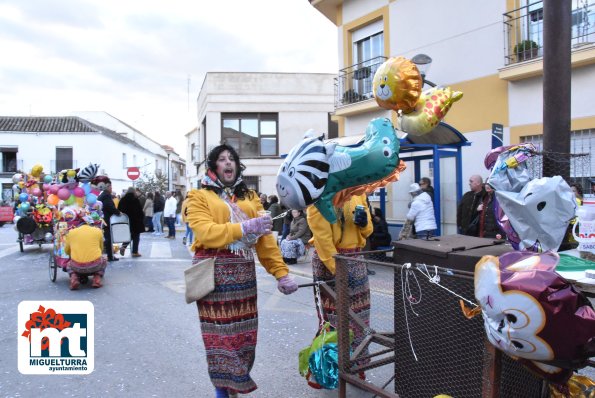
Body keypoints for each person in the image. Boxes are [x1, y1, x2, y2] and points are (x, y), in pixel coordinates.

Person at [185, 144, 298, 398]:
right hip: (212, 277)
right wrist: (245, 228)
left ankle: (232, 383)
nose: (228, 163)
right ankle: (222, 390)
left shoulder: (250, 198)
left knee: (244, 340)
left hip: (244, 280)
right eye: (222, 159)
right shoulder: (198, 197)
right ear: (213, 166)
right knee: (219, 339)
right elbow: (206, 232)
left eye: (232, 159)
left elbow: (265, 242)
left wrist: (281, 273)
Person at [307, 194, 373, 381]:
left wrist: (364, 223)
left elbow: (368, 231)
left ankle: (358, 367)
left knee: (361, 319)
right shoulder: (321, 196)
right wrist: (339, 271)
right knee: (335, 319)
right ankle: (331, 369)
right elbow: (323, 241)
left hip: (356, 260)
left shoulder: (359, 194)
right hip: (331, 262)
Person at [64, 216, 107, 289]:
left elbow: (67, 251)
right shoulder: (98, 231)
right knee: (104, 259)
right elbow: (101, 248)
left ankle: (74, 278)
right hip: (95, 265)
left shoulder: (71, 232)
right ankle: (97, 279)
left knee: (68, 264)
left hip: (76, 266)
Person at [95, 176, 121, 262]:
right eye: (111, 187)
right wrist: (118, 212)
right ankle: (110, 256)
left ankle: (108, 255)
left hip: (103, 218)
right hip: (106, 219)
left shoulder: (102, 194)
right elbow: (109, 206)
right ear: (108, 187)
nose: (111, 189)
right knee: (108, 238)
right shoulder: (106, 195)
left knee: (105, 237)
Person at [118, 187, 145, 257]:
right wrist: (142, 218)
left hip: (125, 221)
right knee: (136, 235)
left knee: (130, 235)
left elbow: (119, 209)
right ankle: (134, 251)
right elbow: (139, 211)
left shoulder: (122, 200)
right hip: (135, 221)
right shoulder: (135, 200)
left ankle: (123, 246)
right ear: (134, 192)